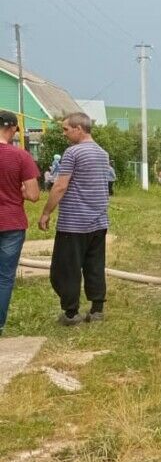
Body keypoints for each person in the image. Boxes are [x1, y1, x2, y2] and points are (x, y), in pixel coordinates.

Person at [38, 112, 109, 325]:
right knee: (94, 266)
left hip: (74, 223)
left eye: (66, 129)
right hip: (98, 221)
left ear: (79, 129)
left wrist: (46, 212)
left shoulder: (72, 153)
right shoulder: (102, 153)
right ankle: (97, 310)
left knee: (65, 269)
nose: (64, 133)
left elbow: (60, 185)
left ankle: (71, 313)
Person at [0, 110, 39, 335]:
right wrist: (20, 191)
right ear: (13, 128)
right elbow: (34, 195)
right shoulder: (20, 156)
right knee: (4, 278)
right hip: (11, 222)